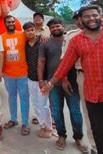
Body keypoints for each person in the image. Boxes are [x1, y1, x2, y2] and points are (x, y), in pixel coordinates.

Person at [42, 5, 103, 154]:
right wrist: (50, 84)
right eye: (87, 16)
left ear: (101, 16)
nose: (91, 19)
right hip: (93, 96)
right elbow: (65, 64)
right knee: (99, 136)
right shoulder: (76, 40)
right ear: (81, 20)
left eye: (94, 15)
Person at [38, 18, 86, 151]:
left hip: (72, 82)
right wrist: (41, 80)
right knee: (56, 112)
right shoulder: (45, 43)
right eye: (52, 27)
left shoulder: (71, 40)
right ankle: (61, 135)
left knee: (75, 111)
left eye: (57, 26)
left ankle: (78, 137)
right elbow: (41, 62)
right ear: (49, 29)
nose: (55, 29)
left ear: (62, 26)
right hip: (53, 84)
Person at [62, 11, 96, 151]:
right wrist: (63, 79)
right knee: (88, 112)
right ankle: (95, 146)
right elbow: (64, 60)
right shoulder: (72, 36)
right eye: (79, 19)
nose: (81, 21)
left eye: (84, 18)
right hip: (82, 76)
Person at [1, 15, 30, 135]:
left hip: (23, 73)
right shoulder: (1, 37)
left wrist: (43, 35)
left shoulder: (22, 35)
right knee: (11, 98)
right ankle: (13, 119)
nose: (11, 23)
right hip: (8, 74)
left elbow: (35, 35)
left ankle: (25, 123)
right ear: (5, 24)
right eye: (8, 22)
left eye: (12, 21)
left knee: (24, 99)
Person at [23, 22, 53, 138]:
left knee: (44, 104)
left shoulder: (42, 42)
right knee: (35, 103)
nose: (30, 32)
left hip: (43, 79)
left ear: (35, 30)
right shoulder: (25, 44)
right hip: (31, 78)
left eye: (31, 30)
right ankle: (42, 125)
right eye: (27, 30)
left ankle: (49, 127)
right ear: (25, 32)